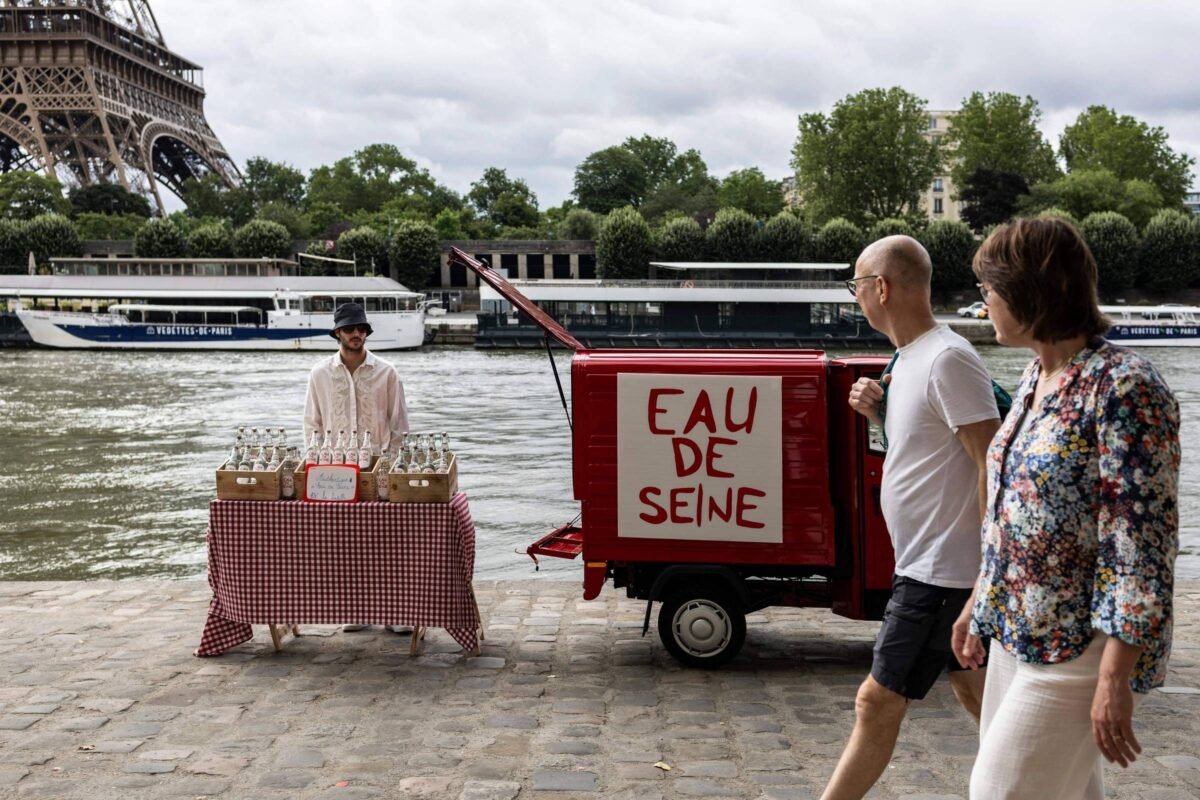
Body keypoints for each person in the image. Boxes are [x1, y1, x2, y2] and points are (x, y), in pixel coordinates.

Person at [952, 218, 1180, 800]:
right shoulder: (1037, 375)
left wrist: (1114, 676)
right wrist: (981, 600)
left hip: (1081, 646)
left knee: (998, 791)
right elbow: (1011, 510)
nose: (984, 303)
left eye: (989, 290)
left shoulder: (1126, 387)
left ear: (1029, 292)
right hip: (1018, 632)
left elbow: (1140, 544)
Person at [822, 236, 1001, 800]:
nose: (856, 298)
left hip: (942, 573)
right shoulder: (907, 359)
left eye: (857, 285)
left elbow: (988, 462)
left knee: (876, 700)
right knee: (977, 693)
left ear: (881, 287)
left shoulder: (949, 359)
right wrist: (879, 413)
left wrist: (984, 574)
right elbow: (925, 452)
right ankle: (1039, 782)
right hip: (925, 563)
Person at [304, 301, 411, 633]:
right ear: (337, 333)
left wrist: (392, 464)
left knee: (387, 540)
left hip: (379, 466)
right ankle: (359, 608)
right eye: (350, 329)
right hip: (335, 468)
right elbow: (312, 424)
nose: (357, 334)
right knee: (345, 542)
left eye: (362, 329)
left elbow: (400, 424)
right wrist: (315, 465)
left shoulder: (387, 372)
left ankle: (394, 612)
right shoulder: (319, 374)